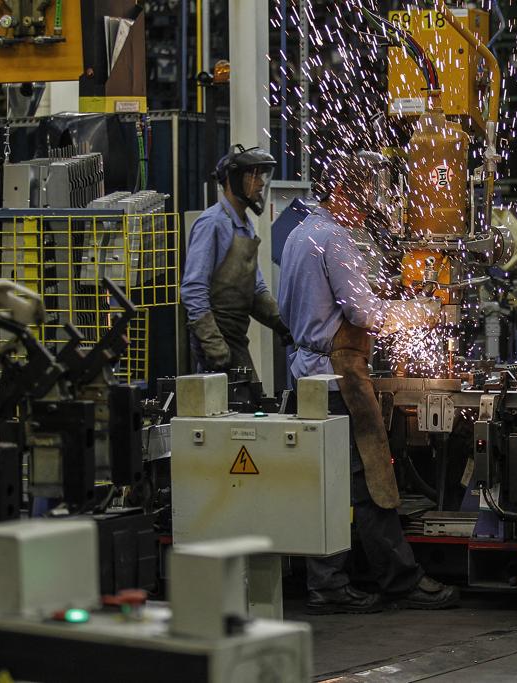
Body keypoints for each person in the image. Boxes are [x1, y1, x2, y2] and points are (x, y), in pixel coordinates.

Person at [277, 151, 459, 613]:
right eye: (362, 202)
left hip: (304, 375)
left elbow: (290, 311)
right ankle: (395, 580)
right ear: (342, 194)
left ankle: (330, 582)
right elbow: (366, 314)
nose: (365, 213)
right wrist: (426, 312)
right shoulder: (335, 239)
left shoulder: (299, 235)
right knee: (371, 481)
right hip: (339, 380)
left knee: (327, 483)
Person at [181, 144, 292, 380]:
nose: (261, 183)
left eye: (262, 175)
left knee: (250, 402)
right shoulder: (212, 223)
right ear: (232, 179)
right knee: (237, 406)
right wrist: (213, 344)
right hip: (216, 337)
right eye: (253, 175)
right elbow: (193, 289)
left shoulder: (244, 224)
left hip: (235, 336)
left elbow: (255, 289)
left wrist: (283, 323)